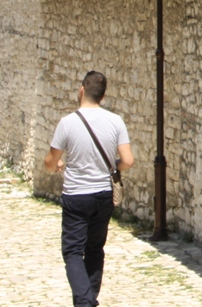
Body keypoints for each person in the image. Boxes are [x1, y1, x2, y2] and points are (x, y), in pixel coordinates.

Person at [44, 71, 134, 307]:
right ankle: (89, 298)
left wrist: (59, 165)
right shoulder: (115, 121)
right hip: (104, 194)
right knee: (95, 249)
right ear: (103, 96)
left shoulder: (68, 122)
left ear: (82, 89)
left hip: (76, 196)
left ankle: (85, 302)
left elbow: (50, 162)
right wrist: (113, 167)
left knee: (73, 252)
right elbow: (128, 160)